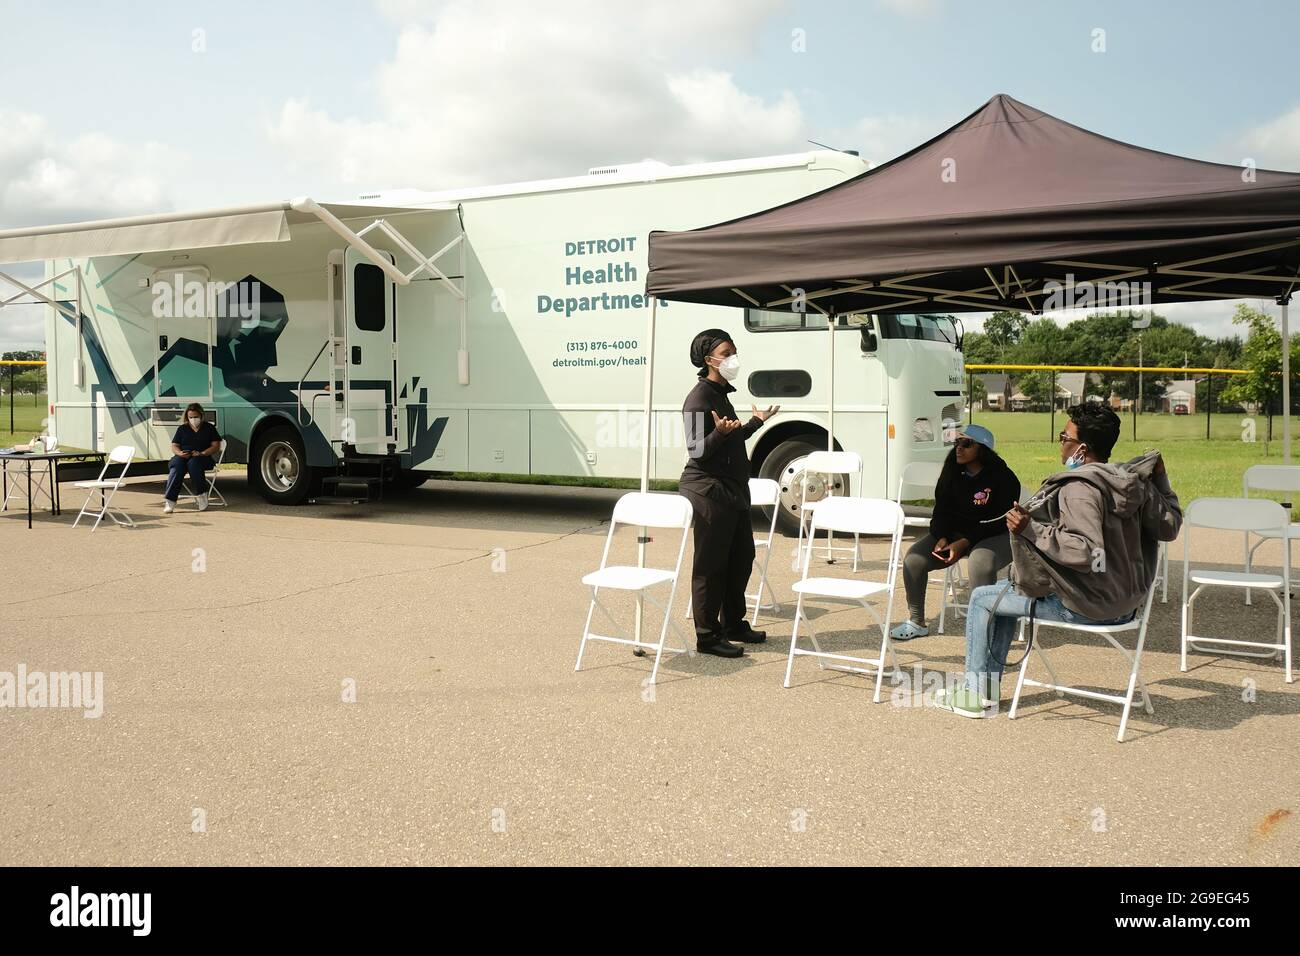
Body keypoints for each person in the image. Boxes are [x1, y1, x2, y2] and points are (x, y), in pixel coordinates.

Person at [937, 401, 1182, 718]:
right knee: (1006, 593)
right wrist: (1161, 479)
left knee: (984, 597)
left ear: (1081, 449)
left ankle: (973, 692)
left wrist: (1030, 529)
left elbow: (1084, 551)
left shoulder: (1079, 489)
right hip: (1127, 603)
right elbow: (1170, 525)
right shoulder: (1131, 483)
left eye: (1064, 437)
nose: (1060, 443)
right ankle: (987, 689)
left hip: (1091, 607)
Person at [679, 329, 779, 658]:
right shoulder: (698, 399)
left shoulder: (721, 395)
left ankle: (734, 623)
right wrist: (720, 435)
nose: (733, 357)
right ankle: (707, 636)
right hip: (708, 490)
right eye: (726, 352)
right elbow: (697, 450)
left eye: (734, 350)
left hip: (733, 490)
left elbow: (731, 436)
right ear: (709, 360)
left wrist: (755, 422)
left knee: (741, 559)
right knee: (711, 565)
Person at [890, 424, 1020, 640]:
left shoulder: (1003, 477)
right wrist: (941, 536)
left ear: (983, 449)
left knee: (980, 561)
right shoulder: (952, 472)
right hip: (957, 536)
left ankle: (983, 629)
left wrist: (965, 542)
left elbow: (998, 521)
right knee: (914, 559)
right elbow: (941, 511)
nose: (959, 448)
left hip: (995, 534)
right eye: (957, 443)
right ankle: (916, 621)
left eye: (966, 443)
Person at [163, 403, 222, 514]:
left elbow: (216, 446)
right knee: (176, 466)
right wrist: (180, 453)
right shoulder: (182, 429)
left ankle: (202, 495)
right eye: (191, 417)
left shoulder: (209, 428)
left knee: (194, 463)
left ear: (201, 416)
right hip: (184, 456)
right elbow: (174, 445)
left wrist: (202, 453)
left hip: (202, 458)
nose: (193, 419)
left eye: (195, 417)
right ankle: (170, 500)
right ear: (187, 417)